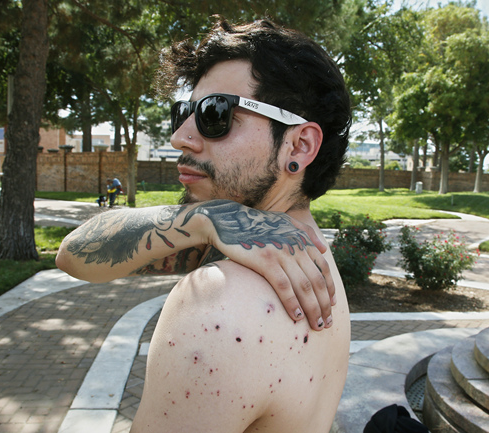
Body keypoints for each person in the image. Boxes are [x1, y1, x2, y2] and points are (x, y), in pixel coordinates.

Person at [56, 18, 351, 433]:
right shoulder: (313, 257)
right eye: (185, 111)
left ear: (299, 145)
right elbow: (73, 255)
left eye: (216, 113)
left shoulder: (216, 306)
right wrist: (206, 219)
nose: (180, 136)